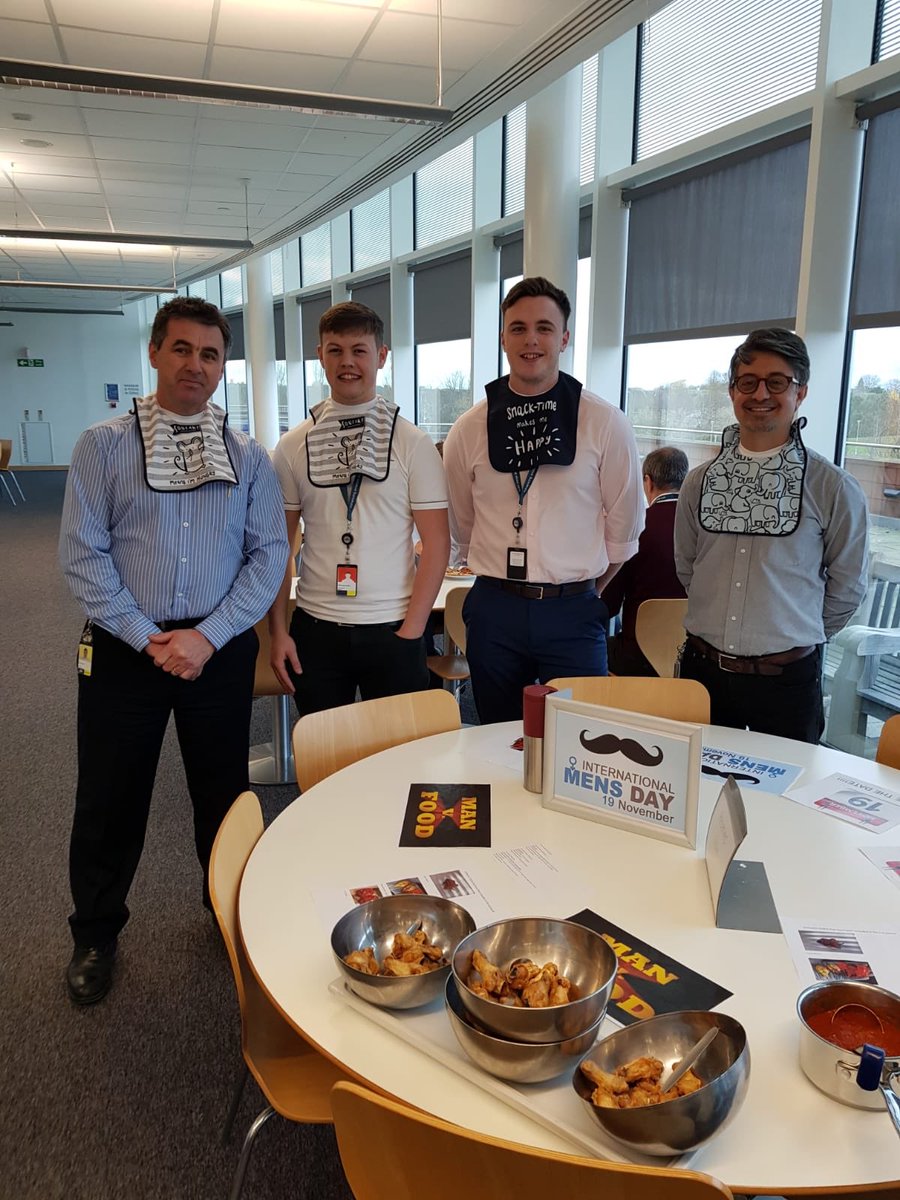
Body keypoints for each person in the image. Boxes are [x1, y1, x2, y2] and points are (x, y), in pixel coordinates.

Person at [59, 295, 289, 1005]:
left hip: (213, 647)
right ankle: (96, 933)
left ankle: (226, 912)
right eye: (182, 348)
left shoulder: (247, 456)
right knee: (110, 796)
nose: (196, 364)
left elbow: (269, 554)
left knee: (222, 795)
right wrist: (146, 637)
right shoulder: (102, 446)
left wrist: (209, 636)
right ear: (155, 353)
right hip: (128, 646)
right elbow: (82, 555)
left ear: (224, 366)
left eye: (211, 353)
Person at [443, 276, 644, 723]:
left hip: (572, 610)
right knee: (496, 735)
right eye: (517, 328)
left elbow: (624, 528)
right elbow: (463, 522)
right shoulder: (469, 429)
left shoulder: (604, 423)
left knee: (579, 739)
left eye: (544, 327)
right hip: (495, 607)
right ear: (502, 338)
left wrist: (585, 592)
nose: (530, 339)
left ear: (565, 337)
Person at [674, 328, 869, 743]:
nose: (760, 393)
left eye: (776, 382)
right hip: (702, 676)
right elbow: (689, 568)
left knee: (784, 802)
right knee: (697, 797)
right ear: (732, 391)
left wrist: (791, 632)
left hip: (787, 683)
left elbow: (848, 588)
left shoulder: (833, 488)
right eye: (748, 382)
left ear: (800, 392)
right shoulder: (699, 482)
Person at [269, 301, 450, 716]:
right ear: (320, 356)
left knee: (394, 760)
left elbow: (437, 543)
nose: (347, 362)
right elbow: (279, 545)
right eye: (335, 350)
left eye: (359, 350)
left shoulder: (413, 443)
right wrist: (278, 631)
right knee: (323, 756)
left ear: (381, 356)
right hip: (315, 627)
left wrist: (413, 631)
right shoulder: (293, 445)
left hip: (394, 628)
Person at [601, 446, 688, 676]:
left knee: (595, 648)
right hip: (692, 658)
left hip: (637, 656)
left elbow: (608, 605)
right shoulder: (703, 529)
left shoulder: (636, 527)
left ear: (647, 482)